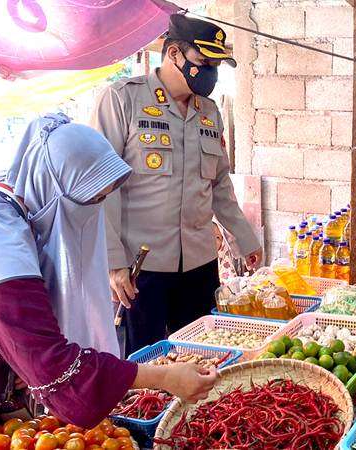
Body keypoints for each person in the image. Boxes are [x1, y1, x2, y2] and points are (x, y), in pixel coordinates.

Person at [0, 114, 216, 445]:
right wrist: (164, 377)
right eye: (91, 200)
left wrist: (25, 359)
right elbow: (56, 368)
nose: (93, 214)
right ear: (56, 188)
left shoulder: (24, 192)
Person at [90, 13, 262, 355]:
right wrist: (112, 264)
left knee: (206, 358)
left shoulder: (209, 112)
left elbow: (219, 187)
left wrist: (245, 240)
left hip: (200, 265)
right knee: (149, 365)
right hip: (143, 269)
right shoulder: (123, 99)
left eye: (215, 64)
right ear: (173, 55)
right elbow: (100, 189)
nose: (210, 72)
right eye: (203, 62)